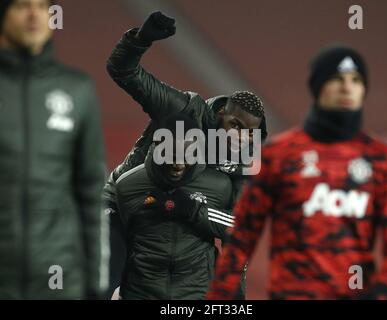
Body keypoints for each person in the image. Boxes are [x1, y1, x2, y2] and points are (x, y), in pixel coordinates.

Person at [207, 45, 387, 300]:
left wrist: (382, 291)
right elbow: (242, 237)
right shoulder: (280, 154)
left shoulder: (382, 159)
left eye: (356, 80)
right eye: (337, 79)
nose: (347, 88)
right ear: (318, 86)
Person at [103, 11, 267, 298]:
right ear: (218, 114)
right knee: (106, 281)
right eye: (235, 126)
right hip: (129, 198)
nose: (240, 138)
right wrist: (141, 40)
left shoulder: (244, 158)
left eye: (248, 133)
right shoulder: (183, 109)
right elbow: (123, 71)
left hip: (185, 207)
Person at [0, 0, 108, 299]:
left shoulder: (77, 89)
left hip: (60, 279)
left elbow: (92, 191)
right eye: (22, 6)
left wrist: (97, 283)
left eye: (42, 6)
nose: (34, 15)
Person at [115, 114, 236, 299]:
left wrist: (194, 210)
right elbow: (116, 240)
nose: (178, 165)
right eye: (171, 156)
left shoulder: (219, 186)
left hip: (196, 294)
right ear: (157, 148)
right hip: (140, 293)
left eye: (187, 156)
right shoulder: (128, 185)